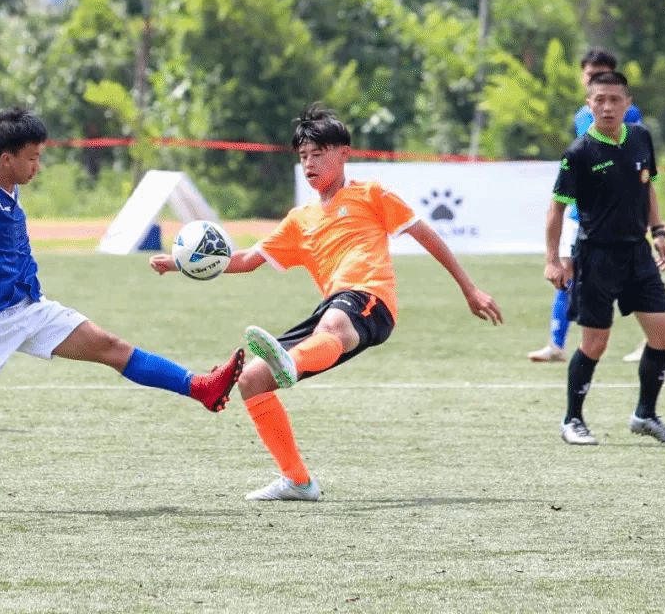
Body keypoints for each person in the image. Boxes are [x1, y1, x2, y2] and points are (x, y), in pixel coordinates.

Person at [0, 106, 243, 509]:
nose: (37, 166)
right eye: (32, 158)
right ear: (6, 158)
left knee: (112, 347)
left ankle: (200, 387)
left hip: (32, 308)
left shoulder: (11, 187)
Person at [150, 103, 504, 501]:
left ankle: (294, 362)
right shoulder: (299, 220)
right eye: (303, 156)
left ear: (344, 153)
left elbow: (426, 235)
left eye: (318, 154)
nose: (309, 163)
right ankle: (298, 481)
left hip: (369, 299)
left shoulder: (371, 194)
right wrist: (183, 263)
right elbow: (247, 260)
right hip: (332, 309)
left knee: (333, 325)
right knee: (252, 380)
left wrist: (469, 288)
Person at [545, 70, 665, 446]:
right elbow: (556, 209)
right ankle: (572, 420)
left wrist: (659, 232)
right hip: (597, 258)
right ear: (589, 105)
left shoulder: (640, 137)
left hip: (638, 254)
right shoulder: (578, 153)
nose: (607, 107)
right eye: (600, 100)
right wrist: (553, 259)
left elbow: (648, 187)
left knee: (662, 335)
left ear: (627, 103)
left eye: (614, 99)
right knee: (595, 343)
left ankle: (645, 415)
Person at [528, 48, 645, 363]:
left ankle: (651, 337)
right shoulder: (581, 116)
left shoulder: (628, 114)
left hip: (616, 216)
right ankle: (556, 344)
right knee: (566, 272)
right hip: (581, 214)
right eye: (590, 74)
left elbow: (634, 159)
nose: (594, 79)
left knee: (630, 277)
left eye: (600, 74)